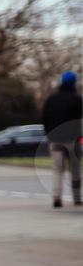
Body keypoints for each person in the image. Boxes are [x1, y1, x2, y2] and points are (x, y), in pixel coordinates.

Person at [42, 70, 82, 209]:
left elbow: (45, 119)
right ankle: (77, 198)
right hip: (73, 139)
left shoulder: (51, 100)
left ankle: (56, 197)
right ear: (74, 83)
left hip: (55, 139)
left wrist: (49, 135)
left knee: (57, 169)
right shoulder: (77, 99)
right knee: (75, 169)